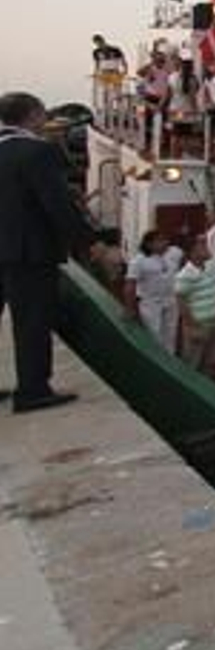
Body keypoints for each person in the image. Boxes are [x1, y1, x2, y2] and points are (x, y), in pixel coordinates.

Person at [0, 92, 97, 412]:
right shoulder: (38, 152)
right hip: (29, 252)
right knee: (31, 321)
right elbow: (57, 206)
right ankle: (32, 390)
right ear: (33, 116)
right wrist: (91, 243)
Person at [123, 230, 184, 352]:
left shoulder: (175, 253)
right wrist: (129, 308)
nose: (165, 243)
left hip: (171, 300)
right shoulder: (138, 261)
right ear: (149, 244)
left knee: (170, 336)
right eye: (160, 241)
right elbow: (130, 286)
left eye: (166, 239)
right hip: (151, 303)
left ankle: (170, 362)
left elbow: (185, 263)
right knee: (154, 336)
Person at [174, 237, 215, 370]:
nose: (207, 248)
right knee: (193, 363)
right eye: (202, 245)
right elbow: (181, 303)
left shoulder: (212, 266)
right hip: (199, 325)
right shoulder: (185, 275)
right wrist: (193, 326)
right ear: (192, 252)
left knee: (211, 362)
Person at [91, 34, 128, 115]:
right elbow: (97, 64)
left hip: (115, 72)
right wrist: (95, 73)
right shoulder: (96, 52)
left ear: (103, 40)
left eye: (100, 42)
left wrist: (125, 71)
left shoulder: (115, 49)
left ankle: (120, 108)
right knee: (105, 92)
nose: (99, 44)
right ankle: (106, 109)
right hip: (104, 73)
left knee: (117, 91)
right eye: (97, 43)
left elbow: (123, 60)